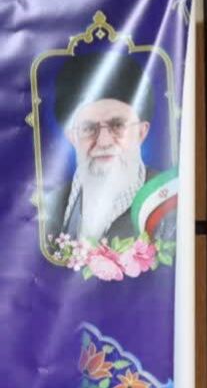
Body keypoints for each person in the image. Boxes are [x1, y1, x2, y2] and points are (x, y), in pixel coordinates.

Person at [45, 51, 166, 245]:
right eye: (88, 128)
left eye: (117, 125)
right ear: (72, 137)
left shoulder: (170, 201)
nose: (103, 142)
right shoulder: (48, 208)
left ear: (141, 132)